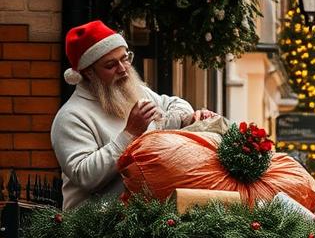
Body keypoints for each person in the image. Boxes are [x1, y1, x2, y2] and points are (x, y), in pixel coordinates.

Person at [51, 20, 217, 209]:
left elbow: (174, 105)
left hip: (144, 217)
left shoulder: (135, 91)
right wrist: (129, 134)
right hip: (97, 229)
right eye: (111, 65)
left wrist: (188, 118)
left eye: (125, 58)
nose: (123, 69)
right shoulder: (71, 116)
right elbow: (85, 176)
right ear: (89, 73)